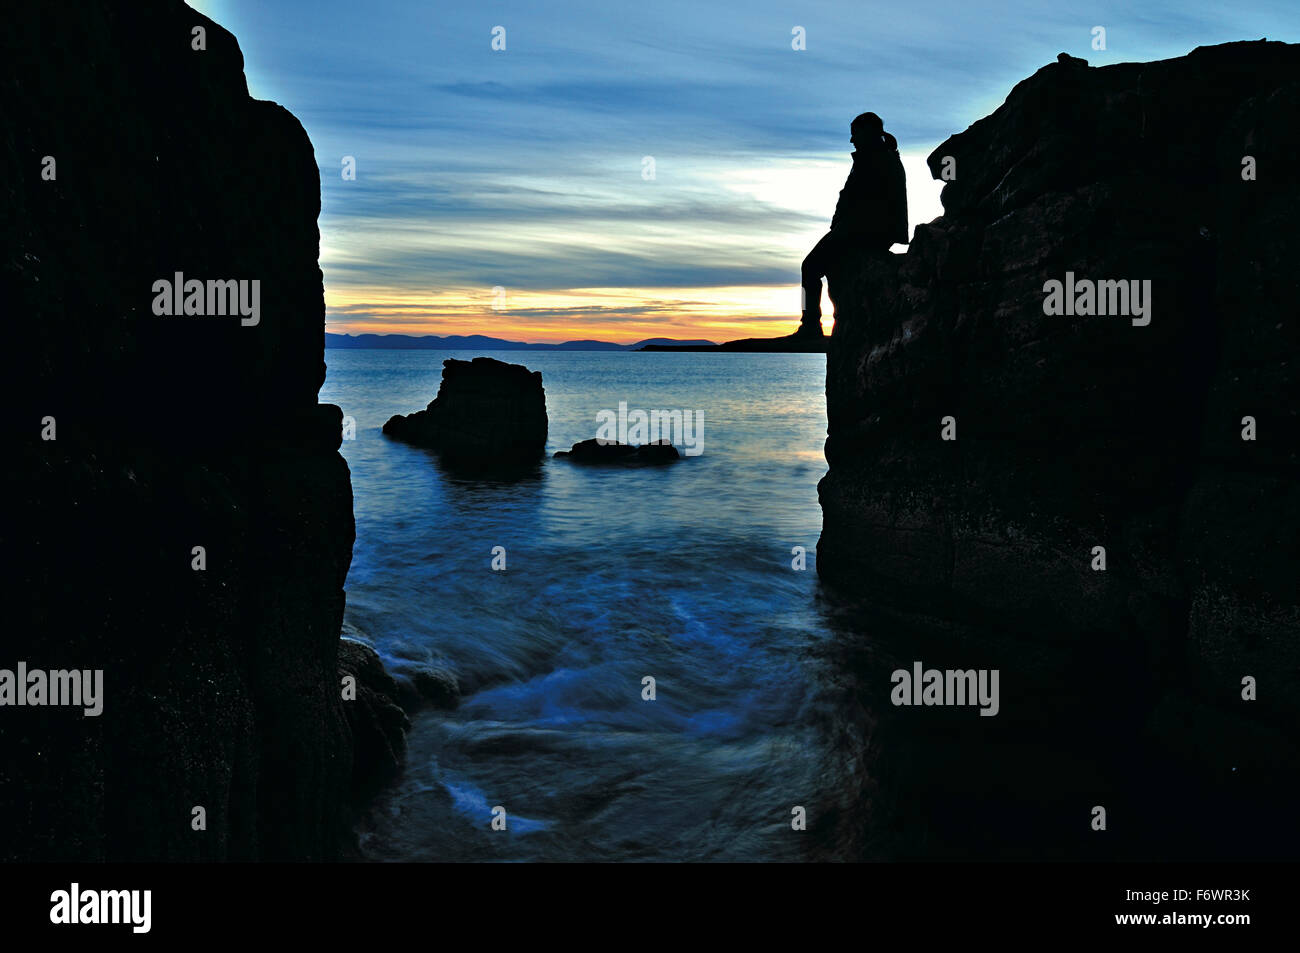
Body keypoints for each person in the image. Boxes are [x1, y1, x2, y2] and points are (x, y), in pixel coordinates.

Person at [799, 112, 908, 336]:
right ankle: (813, 322)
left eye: (854, 134)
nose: (852, 140)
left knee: (809, 267)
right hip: (864, 229)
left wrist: (840, 229)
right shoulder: (881, 158)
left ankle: (809, 324)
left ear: (867, 133)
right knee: (825, 268)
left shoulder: (877, 160)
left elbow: (861, 202)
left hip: (861, 230)